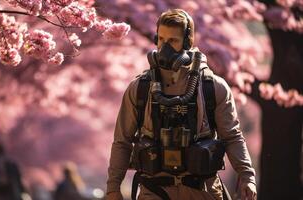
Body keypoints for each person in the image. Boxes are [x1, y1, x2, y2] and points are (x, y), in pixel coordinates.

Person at [106, 9, 257, 200]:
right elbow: (122, 141)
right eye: (161, 39)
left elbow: (233, 137)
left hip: (202, 190)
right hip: (154, 191)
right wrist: (113, 188)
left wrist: (247, 177)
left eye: (173, 41)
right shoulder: (140, 89)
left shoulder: (213, 87)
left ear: (188, 43)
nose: (165, 47)